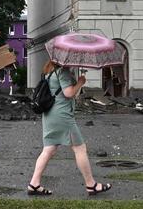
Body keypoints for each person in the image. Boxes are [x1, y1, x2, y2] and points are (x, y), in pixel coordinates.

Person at [28, 60, 112, 196]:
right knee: (80, 148)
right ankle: (91, 185)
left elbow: (64, 93)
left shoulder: (48, 72)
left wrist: (76, 83)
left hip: (49, 115)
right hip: (62, 116)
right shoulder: (63, 72)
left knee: (49, 149)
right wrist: (80, 82)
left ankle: (34, 184)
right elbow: (68, 93)